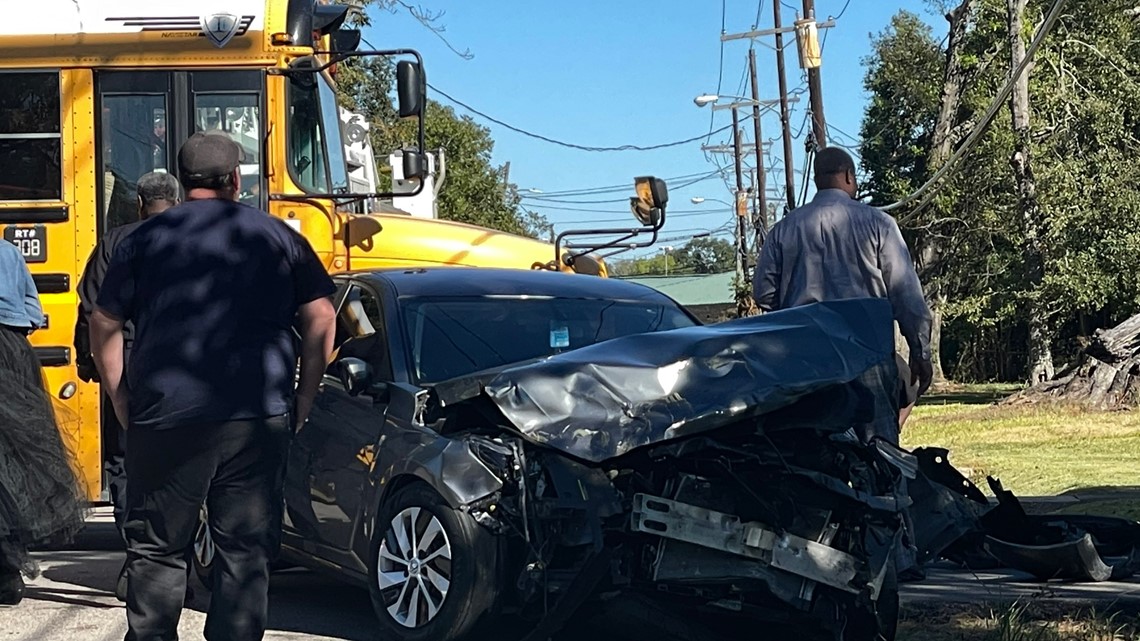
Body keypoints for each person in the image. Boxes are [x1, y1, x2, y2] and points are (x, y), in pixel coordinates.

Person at [90, 131, 336, 640]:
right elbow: (321, 317)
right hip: (256, 416)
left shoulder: (141, 239)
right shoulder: (278, 237)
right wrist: (304, 395)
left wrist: (120, 396)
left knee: (157, 549)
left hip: (164, 416)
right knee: (244, 551)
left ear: (181, 183)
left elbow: (104, 323)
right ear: (235, 179)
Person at [753, 147, 934, 428]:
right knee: (878, 447)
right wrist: (920, 351)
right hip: (866, 355)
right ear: (849, 176)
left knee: (812, 446)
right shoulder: (880, 224)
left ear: (815, 180)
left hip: (806, 360)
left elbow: (763, 293)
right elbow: (906, 296)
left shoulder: (783, 230)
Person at [74, 171, 183, 603]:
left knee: (124, 463)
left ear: (139, 204)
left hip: (127, 362)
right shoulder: (193, 238)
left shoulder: (115, 242)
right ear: (175, 201)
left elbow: (92, 308)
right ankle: (176, 554)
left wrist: (91, 364)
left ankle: (138, 556)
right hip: (184, 365)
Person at [0, 239, 86, 605]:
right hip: (13, 353)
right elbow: (34, 311)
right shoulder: (8, 252)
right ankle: (8, 568)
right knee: (18, 460)